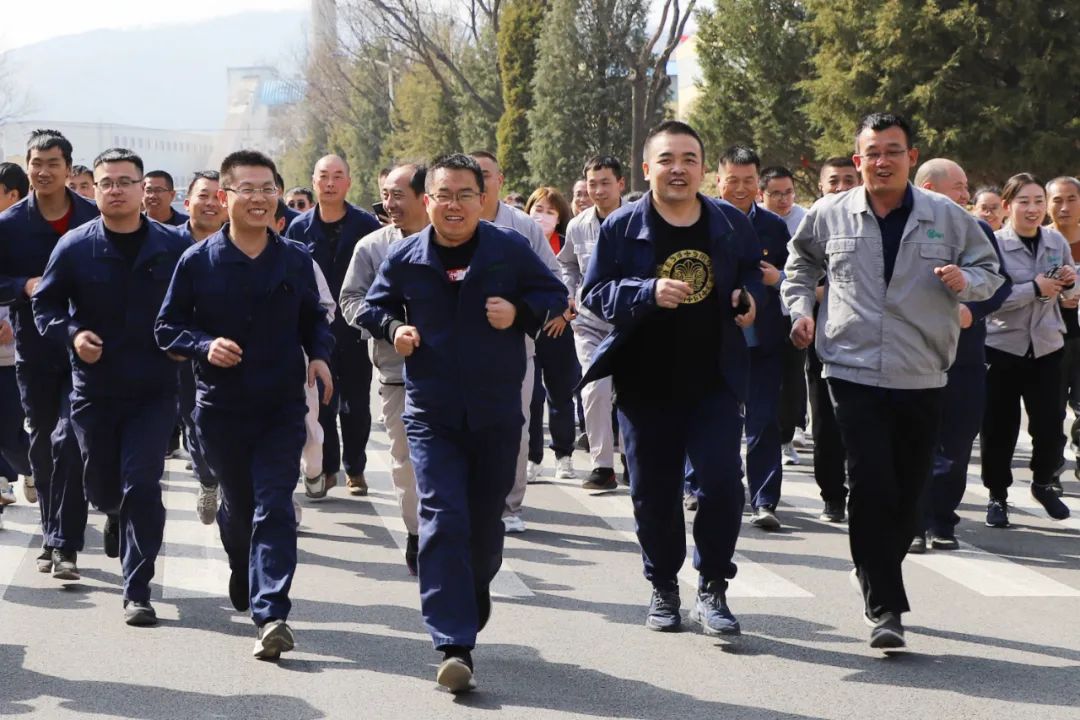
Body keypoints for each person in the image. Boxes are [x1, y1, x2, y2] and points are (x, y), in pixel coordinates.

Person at [783, 113, 1003, 649]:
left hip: (922, 371)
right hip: (850, 368)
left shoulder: (947, 216)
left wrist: (965, 279)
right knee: (871, 481)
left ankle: (875, 567)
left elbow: (992, 273)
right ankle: (885, 602)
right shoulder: (829, 214)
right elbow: (799, 267)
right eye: (872, 153)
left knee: (908, 492)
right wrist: (798, 312)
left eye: (893, 151)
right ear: (858, 161)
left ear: (910, 157)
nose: (882, 161)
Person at [357, 153, 567, 693]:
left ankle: (474, 587)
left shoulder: (508, 249)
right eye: (442, 195)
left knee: (483, 527)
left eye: (464, 195)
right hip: (432, 412)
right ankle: (453, 643)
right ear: (426, 201)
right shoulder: (405, 257)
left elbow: (555, 297)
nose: (453, 205)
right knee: (441, 517)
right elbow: (369, 307)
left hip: (497, 410)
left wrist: (518, 315)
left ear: (483, 199)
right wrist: (393, 328)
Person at [581, 120, 763, 637]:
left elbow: (755, 273)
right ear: (647, 169)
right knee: (654, 493)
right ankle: (663, 585)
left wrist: (749, 300)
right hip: (645, 381)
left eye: (688, 159)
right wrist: (644, 291)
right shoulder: (620, 226)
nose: (677, 169)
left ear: (704, 169)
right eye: (666, 160)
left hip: (715, 380)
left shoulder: (729, 222)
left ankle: (713, 587)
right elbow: (595, 294)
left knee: (724, 486)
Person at [155, 149, 334, 660]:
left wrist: (320, 357)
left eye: (267, 188)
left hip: (281, 404)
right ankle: (243, 565)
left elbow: (314, 321)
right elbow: (167, 327)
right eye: (247, 189)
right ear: (224, 197)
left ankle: (272, 611)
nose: (259, 198)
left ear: (278, 195)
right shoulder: (197, 261)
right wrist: (204, 344)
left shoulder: (295, 259)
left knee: (275, 505)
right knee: (239, 505)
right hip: (220, 407)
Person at [33, 148, 189, 626]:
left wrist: (190, 343)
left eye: (126, 181)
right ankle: (112, 509)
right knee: (103, 486)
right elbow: (46, 308)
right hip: (95, 391)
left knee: (143, 483)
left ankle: (137, 589)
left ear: (145, 190)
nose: (116, 189)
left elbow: (198, 306)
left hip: (154, 389)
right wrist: (74, 336)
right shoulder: (76, 246)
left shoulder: (173, 247)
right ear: (94, 189)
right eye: (106, 182)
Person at [0, 129, 98, 579]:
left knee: (72, 440)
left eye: (52, 163)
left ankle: (65, 544)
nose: (42, 171)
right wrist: (23, 285)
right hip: (34, 348)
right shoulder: (10, 225)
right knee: (42, 439)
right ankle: (50, 533)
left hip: (83, 346)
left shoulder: (93, 219)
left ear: (68, 168)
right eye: (36, 163)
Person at [910, 158, 1010, 552]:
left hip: (964, 356)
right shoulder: (905, 230)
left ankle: (942, 520)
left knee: (956, 442)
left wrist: (974, 308)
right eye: (959, 186)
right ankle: (913, 521)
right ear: (931, 190)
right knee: (914, 440)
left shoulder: (978, 229)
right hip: (914, 354)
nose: (967, 194)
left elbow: (1002, 284)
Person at [469, 150, 565, 532]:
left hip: (513, 347)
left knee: (514, 425)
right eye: (471, 175)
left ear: (500, 180)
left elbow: (553, 283)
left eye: (486, 174)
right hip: (458, 349)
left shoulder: (522, 228)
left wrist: (520, 311)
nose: (479, 182)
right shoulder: (449, 222)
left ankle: (510, 506)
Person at [340, 163, 428, 575]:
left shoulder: (462, 239)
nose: (389, 204)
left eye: (398, 195)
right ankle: (416, 533)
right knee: (406, 460)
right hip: (398, 374)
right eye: (385, 195)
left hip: (462, 374)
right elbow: (351, 300)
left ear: (424, 195)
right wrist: (389, 327)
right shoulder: (372, 247)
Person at [981, 173, 1076, 527]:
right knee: (999, 428)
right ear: (1007, 207)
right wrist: (1034, 288)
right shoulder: (992, 244)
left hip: (1048, 345)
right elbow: (989, 297)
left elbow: (1068, 286)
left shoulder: (1054, 240)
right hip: (1002, 347)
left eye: (1039, 201)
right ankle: (997, 496)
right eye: (1024, 202)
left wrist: (1068, 286)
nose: (1033, 209)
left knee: (1051, 425)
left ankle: (1043, 482)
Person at [285, 155, 380, 498]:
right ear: (313, 182)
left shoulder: (366, 226)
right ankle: (328, 467)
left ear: (348, 183)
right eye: (323, 176)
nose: (330, 183)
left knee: (356, 403)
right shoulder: (298, 228)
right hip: (316, 330)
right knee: (321, 402)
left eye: (337, 176)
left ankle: (356, 466)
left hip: (355, 328)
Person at [713, 146, 791, 529]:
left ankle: (764, 500)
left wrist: (772, 284)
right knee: (713, 419)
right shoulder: (703, 220)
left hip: (764, 342)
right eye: (733, 181)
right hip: (715, 341)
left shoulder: (775, 227)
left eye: (748, 181)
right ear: (718, 181)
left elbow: (791, 279)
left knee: (763, 421)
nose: (741, 189)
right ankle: (702, 486)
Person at [558, 156, 625, 490]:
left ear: (620, 184)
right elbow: (567, 264)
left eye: (605, 183)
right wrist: (569, 294)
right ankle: (602, 466)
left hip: (631, 321)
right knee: (594, 387)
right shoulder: (578, 225)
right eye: (592, 184)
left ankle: (631, 453)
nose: (598, 191)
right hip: (589, 321)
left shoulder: (638, 221)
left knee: (632, 390)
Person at [806, 156, 862, 522]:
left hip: (866, 341)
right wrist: (816, 294)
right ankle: (832, 494)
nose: (841, 187)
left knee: (862, 426)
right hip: (823, 338)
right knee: (826, 425)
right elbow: (792, 273)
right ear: (821, 186)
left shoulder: (869, 221)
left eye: (848, 179)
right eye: (833, 181)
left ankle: (862, 491)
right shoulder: (815, 223)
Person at [174, 171, 228, 523]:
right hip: (181, 350)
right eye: (202, 196)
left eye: (216, 197)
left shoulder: (242, 243)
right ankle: (208, 479)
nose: (209, 203)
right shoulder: (164, 244)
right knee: (194, 420)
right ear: (187, 202)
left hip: (230, 350)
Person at [524, 187, 581, 482]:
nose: (542, 216)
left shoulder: (565, 245)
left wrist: (564, 314)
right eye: (537, 208)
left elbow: (573, 282)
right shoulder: (520, 242)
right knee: (531, 397)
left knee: (560, 394)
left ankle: (564, 454)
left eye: (550, 211)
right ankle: (533, 457)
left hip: (561, 330)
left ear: (559, 217)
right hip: (528, 329)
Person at [0, 163, 33, 529]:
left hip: (10, 357)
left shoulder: (20, 235)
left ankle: (34, 468)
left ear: (12, 195)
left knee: (10, 430)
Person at [1049, 177, 1080, 484]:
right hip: (1051, 339)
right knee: (1051, 410)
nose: (1065, 207)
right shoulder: (1040, 242)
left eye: (1072, 198)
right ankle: (1051, 469)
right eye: (1057, 200)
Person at [759, 166, 807, 237]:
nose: (784, 200)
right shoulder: (750, 219)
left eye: (788, 192)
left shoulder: (806, 219)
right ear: (761, 194)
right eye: (776, 194)